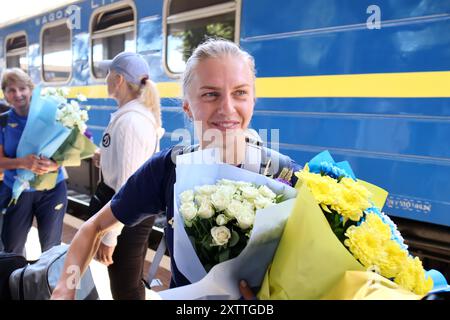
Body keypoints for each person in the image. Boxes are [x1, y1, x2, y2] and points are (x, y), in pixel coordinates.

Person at [51, 39, 301, 299]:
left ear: (253, 100)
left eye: (240, 93)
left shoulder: (284, 176)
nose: (227, 107)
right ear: (187, 107)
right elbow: (92, 228)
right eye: (210, 94)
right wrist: (66, 287)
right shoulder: (168, 169)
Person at [89, 52, 164, 300]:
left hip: (126, 217)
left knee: (125, 288)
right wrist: (106, 157)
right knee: (126, 285)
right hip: (128, 213)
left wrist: (110, 236)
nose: (106, 80)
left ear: (119, 79)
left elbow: (127, 186)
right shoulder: (130, 116)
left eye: (109, 74)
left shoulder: (131, 121)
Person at [0, 68, 67, 255]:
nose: (18, 94)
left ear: (31, 89)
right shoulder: (3, 122)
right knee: (12, 248)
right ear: (5, 94)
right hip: (16, 191)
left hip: (52, 189)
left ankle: (46, 284)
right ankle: (12, 284)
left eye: (22, 88)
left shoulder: (52, 117)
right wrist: (22, 163)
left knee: (51, 248)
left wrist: (54, 164)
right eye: (11, 90)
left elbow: (65, 151)